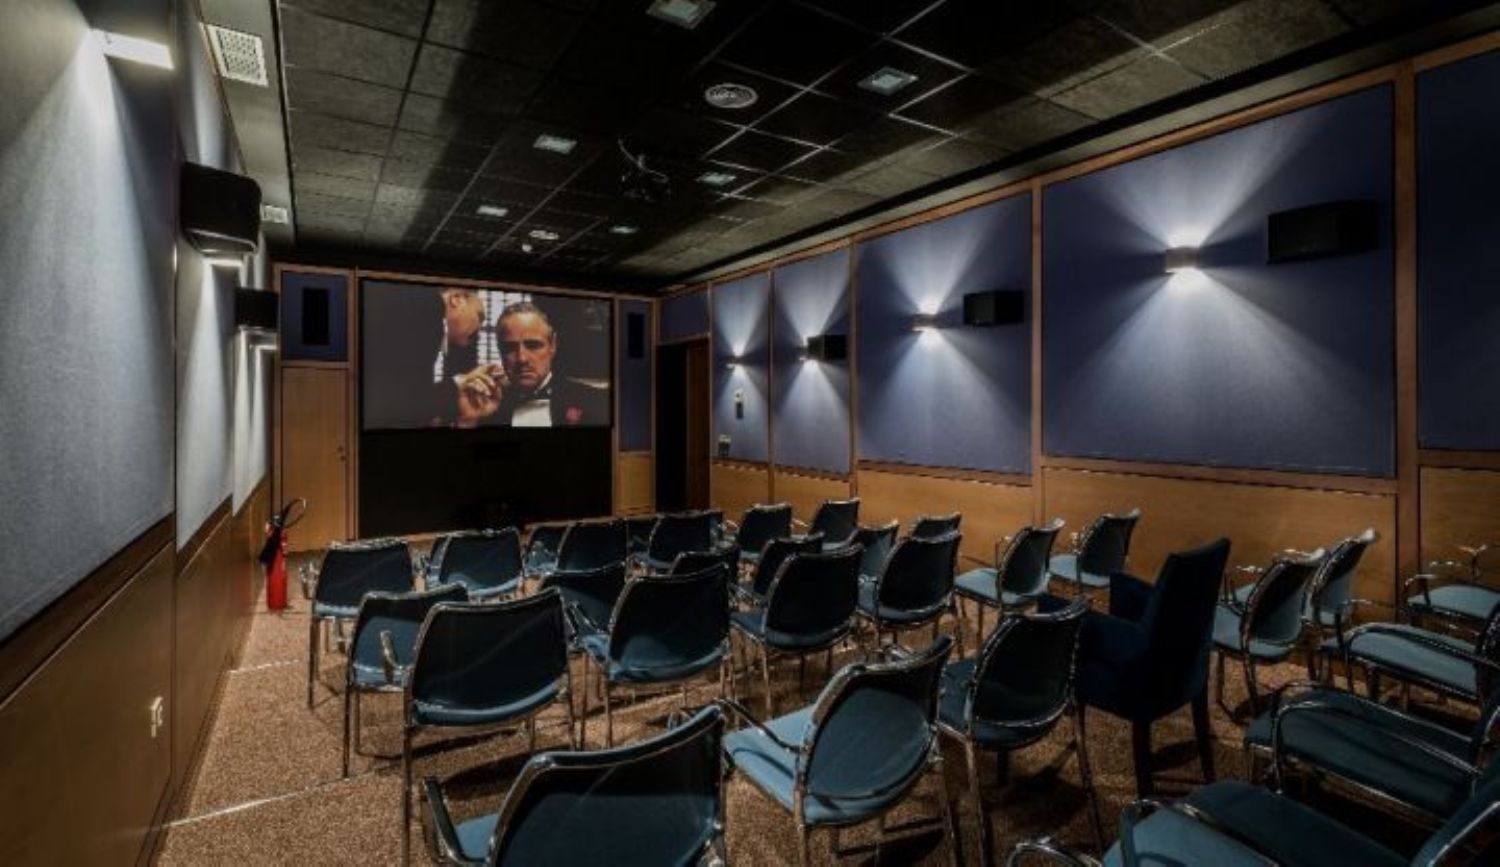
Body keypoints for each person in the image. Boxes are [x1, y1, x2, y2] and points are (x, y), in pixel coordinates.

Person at [455, 301, 609, 427]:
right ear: (500, 351)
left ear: (552, 345)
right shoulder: (482, 407)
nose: (522, 359)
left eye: (533, 345)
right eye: (510, 348)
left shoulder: (596, 401)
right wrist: (468, 420)